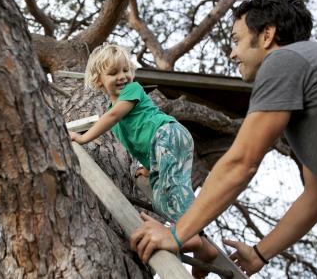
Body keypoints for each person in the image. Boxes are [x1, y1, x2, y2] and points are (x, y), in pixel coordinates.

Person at [130, 0, 317, 276]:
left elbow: (242, 162)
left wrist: (177, 233)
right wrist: (261, 253)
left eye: (236, 40)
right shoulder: (314, 72)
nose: (232, 53)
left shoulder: (283, 60)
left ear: (267, 35)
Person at [69, 44, 217, 277]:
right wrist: (149, 168)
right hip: (160, 145)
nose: (123, 77)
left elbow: (114, 114)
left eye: (126, 70)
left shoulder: (132, 91)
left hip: (167, 134)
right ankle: (204, 247)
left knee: (172, 188)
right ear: (99, 81)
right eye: (114, 73)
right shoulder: (118, 123)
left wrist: (84, 137)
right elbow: (140, 143)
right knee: (162, 198)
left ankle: (190, 235)